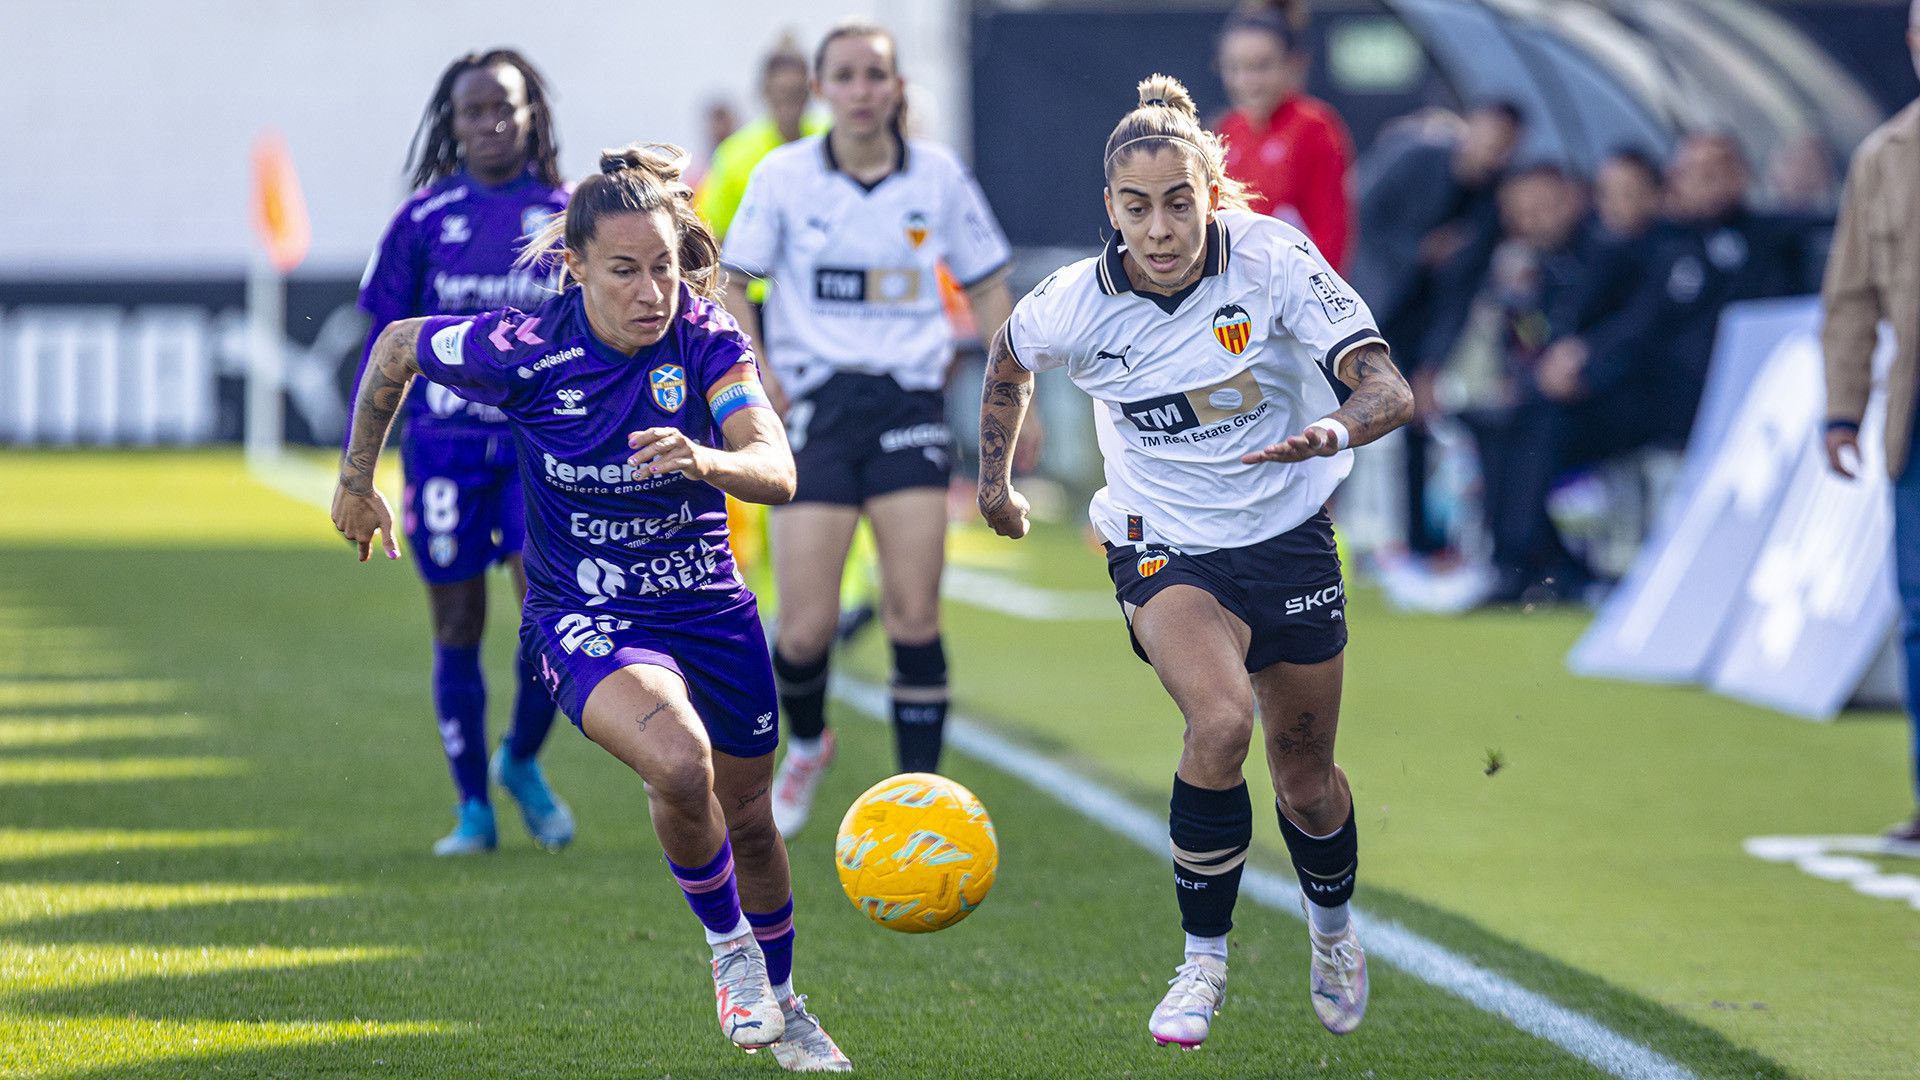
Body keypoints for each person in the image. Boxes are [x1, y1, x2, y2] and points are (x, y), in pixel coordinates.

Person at [332, 145, 851, 1071]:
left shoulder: (707, 337)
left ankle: (786, 1003)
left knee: (752, 821)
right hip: (586, 614)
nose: (652, 290)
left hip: (709, 608)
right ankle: (730, 953)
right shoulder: (525, 348)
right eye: (624, 270)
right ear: (575, 268)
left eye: (662, 265)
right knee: (678, 763)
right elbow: (397, 346)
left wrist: (706, 460)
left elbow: (776, 467)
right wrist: (356, 480)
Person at [978, 74, 1413, 1047]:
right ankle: (1201, 964)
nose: (1161, 228)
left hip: (1286, 536)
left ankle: (1333, 929)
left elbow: (1388, 388)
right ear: (1110, 210)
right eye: (1138, 207)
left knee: (1304, 781)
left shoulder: (1272, 262)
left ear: (1210, 195)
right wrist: (994, 485)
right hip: (1160, 544)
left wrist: (1335, 431)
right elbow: (1005, 358)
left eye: (1180, 202)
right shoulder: (1074, 303)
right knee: (1219, 724)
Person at [719, 20, 1015, 838]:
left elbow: (993, 290)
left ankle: (921, 800)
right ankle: (808, 745)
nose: (859, 90)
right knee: (806, 626)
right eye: (843, 76)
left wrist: (1005, 394)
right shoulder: (783, 176)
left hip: (910, 409)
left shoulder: (939, 176)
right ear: (821, 88)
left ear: (896, 88)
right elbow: (731, 281)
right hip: (816, 411)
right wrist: (756, 372)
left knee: (912, 614)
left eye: (874, 75)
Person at [352, 49, 573, 856]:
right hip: (443, 452)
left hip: (539, 453)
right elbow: (384, 345)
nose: (490, 123)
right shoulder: (421, 220)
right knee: (456, 623)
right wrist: (360, 469)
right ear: (452, 123)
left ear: (531, 114)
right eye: (473, 111)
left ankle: (518, 758)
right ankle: (473, 807)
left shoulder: (568, 215)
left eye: (504, 107)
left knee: (548, 620)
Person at [1822, 0, 1920, 845]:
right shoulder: (1882, 158)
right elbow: (1852, 299)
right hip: (1914, 419)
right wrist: (1843, 410)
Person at [1351, 101, 1523, 557]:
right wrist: (1418, 249)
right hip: (1361, 310)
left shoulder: (1489, 206)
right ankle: (1316, 534)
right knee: (1332, 417)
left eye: (1505, 145)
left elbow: (1462, 294)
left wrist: (1432, 364)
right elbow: (1359, 208)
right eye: (1491, 135)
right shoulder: (1417, 155)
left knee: (1415, 421)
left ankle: (1418, 543)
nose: (1493, 151)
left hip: (1419, 326)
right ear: (1473, 126)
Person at [1213, 0, 1355, 272]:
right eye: (1234, 68)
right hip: (1240, 297)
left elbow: (1332, 234)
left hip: (1294, 293)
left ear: (1292, 64)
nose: (1246, 80)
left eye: (1261, 66)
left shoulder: (1314, 128)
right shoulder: (1228, 130)